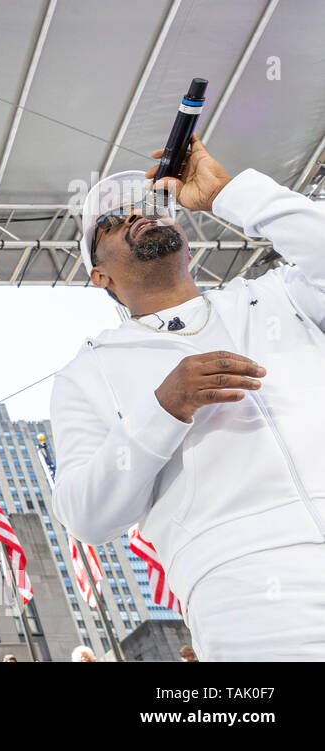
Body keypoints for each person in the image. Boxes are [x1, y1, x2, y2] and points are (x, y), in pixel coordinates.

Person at [51, 135, 325, 661]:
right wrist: (162, 409)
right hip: (250, 593)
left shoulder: (279, 294)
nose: (136, 218)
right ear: (99, 276)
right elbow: (85, 514)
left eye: (147, 208)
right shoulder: (87, 374)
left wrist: (230, 194)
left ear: (188, 243)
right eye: (112, 223)